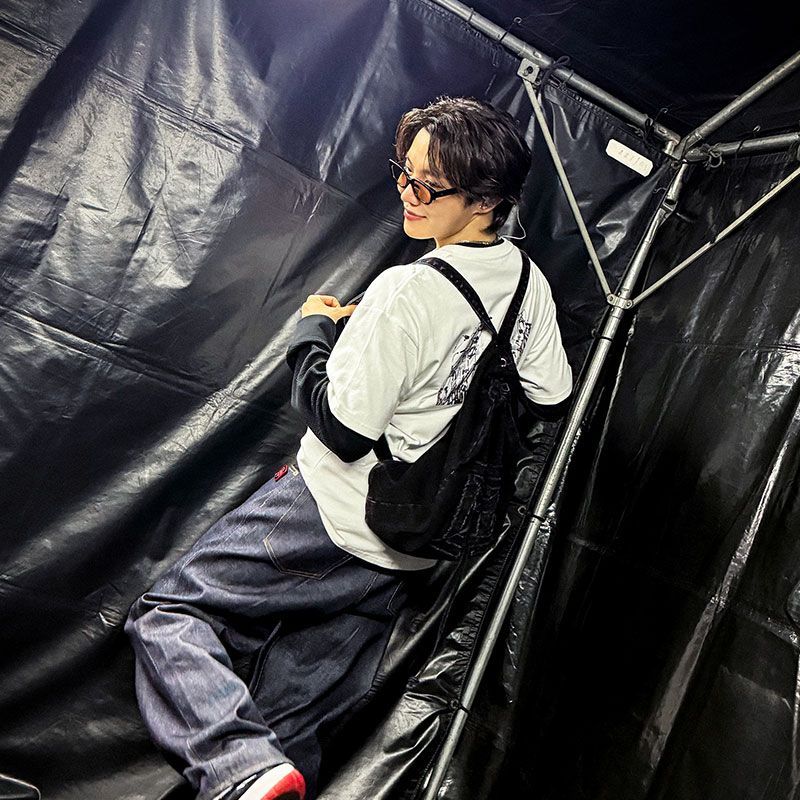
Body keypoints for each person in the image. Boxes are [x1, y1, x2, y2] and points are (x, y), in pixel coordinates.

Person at [126, 96, 572, 800]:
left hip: (333, 512)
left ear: (486, 200)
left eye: (429, 185)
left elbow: (344, 430)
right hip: (411, 548)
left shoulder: (406, 289)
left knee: (172, 614)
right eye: (404, 173)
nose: (408, 194)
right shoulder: (527, 285)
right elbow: (550, 394)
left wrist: (312, 334)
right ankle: (260, 774)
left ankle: (236, 767)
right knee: (290, 722)